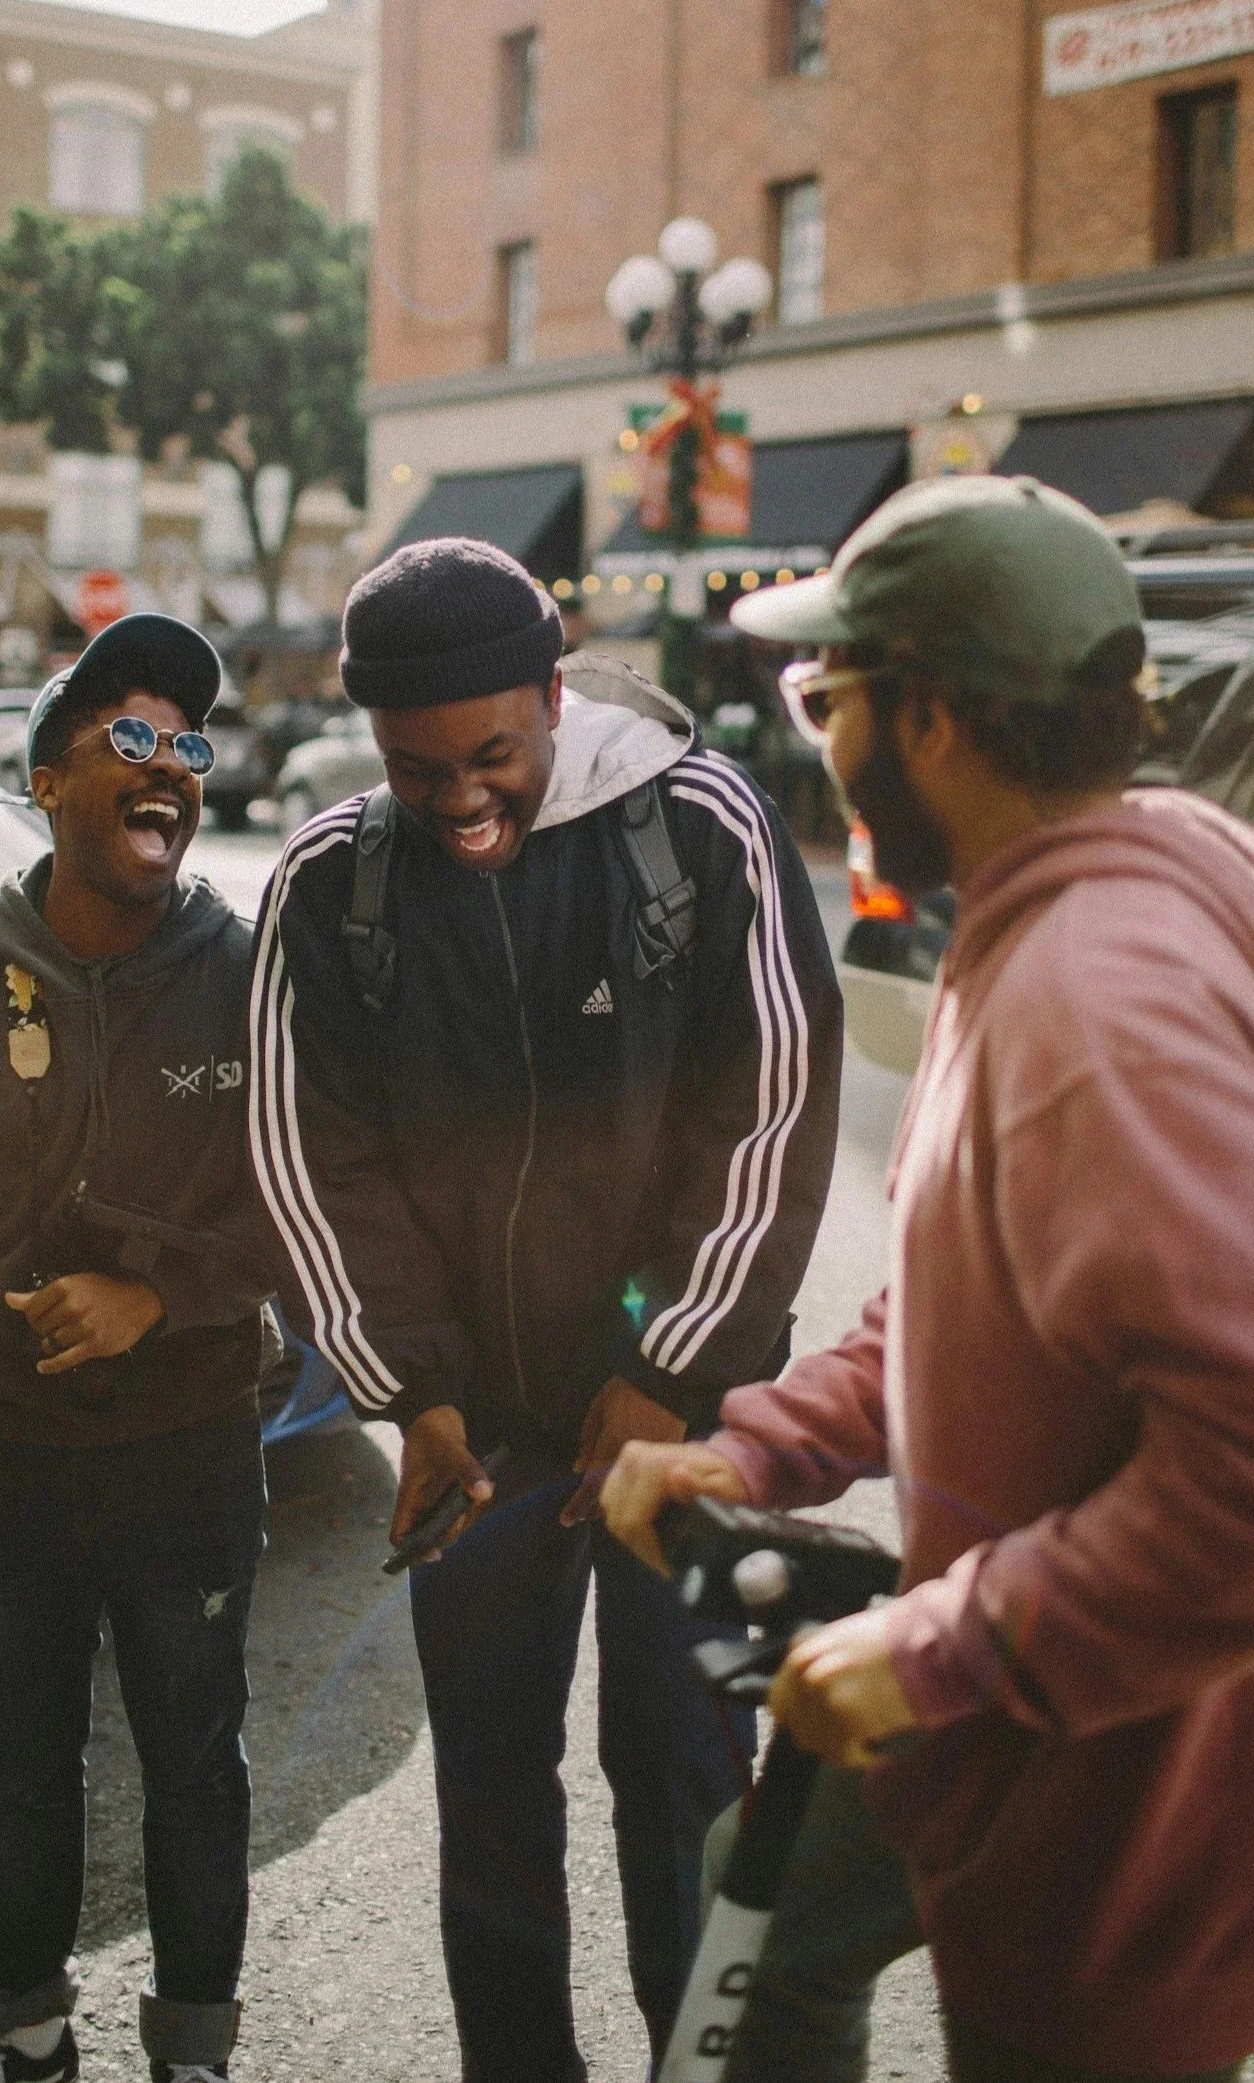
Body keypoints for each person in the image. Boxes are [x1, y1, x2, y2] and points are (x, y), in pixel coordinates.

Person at [601, 475, 1254, 2083]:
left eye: (830, 695)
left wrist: (939, 1646)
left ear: (935, 721)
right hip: (1032, 1709)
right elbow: (978, 1294)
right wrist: (764, 1443)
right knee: (767, 1915)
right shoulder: (1036, 930)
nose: (816, 734)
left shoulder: (1095, 1005)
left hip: (1138, 1771)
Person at [248, 537, 844, 2080]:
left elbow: (770, 1115)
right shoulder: (331, 882)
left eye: (491, 752)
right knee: (492, 1804)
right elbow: (310, 1157)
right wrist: (415, 1394)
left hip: (678, 1430)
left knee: (687, 1791)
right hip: (480, 1438)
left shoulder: (702, 827)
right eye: (411, 763)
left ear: (556, 689)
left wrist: (666, 1370)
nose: (456, 799)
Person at [0, 614, 277, 2083]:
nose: (168, 772)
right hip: (10, 1464)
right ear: (47, 782)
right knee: (25, 1777)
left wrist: (164, 1296)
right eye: (131, 743)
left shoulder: (248, 971)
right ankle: (25, 2036)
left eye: (189, 747)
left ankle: (196, 2052)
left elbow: (316, 1205)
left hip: (191, 1454)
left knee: (196, 1774)